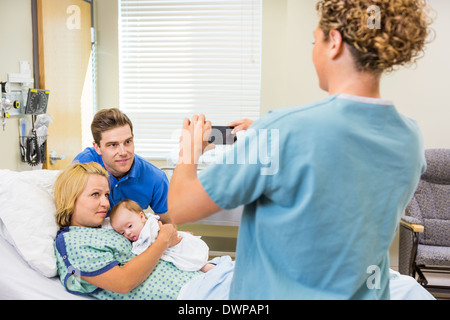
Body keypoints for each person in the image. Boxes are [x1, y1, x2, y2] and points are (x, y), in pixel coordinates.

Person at [167, 0, 433, 299]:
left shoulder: (282, 131)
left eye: (314, 40)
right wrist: (269, 131)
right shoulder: (410, 137)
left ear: (333, 42)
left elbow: (179, 207)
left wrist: (189, 150)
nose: (313, 51)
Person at [53, 162, 233, 300]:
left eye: (106, 195)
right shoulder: (73, 242)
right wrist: (163, 240)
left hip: (205, 277)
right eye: (95, 194)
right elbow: (123, 282)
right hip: (190, 293)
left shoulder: (105, 226)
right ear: (71, 198)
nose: (105, 203)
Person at [73, 108, 171, 223]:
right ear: (97, 147)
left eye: (128, 142)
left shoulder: (156, 179)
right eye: (113, 145)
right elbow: (66, 213)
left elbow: (168, 225)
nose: (123, 152)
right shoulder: (83, 164)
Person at [109, 199, 215, 272]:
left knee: (191, 261)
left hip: (176, 246)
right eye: (122, 233)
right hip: (168, 246)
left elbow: (146, 248)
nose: (127, 233)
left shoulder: (149, 227)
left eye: (130, 226)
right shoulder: (141, 229)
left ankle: (207, 268)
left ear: (141, 217)